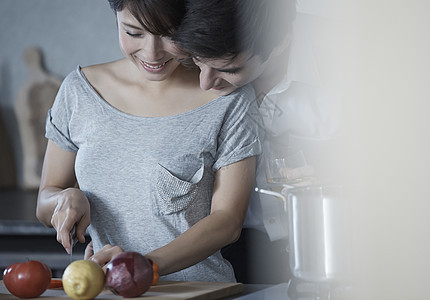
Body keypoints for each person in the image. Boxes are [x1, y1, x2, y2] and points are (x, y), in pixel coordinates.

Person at [36, 0, 263, 282]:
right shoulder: (79, 90)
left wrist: (141, 266)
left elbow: (227, 221)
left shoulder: (228, 97)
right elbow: (45, 198)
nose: (152, 53)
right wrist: (66, 198)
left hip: (198, 290)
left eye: (170, 35)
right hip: (109, 290)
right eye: (133, 33)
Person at [172, 0, 341, 283]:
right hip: (225, 251)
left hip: (332, 242)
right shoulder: (184, 53)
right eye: (198, 63)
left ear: (281, 41)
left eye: (228, 69)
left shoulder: (350, 58)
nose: (204, 83)